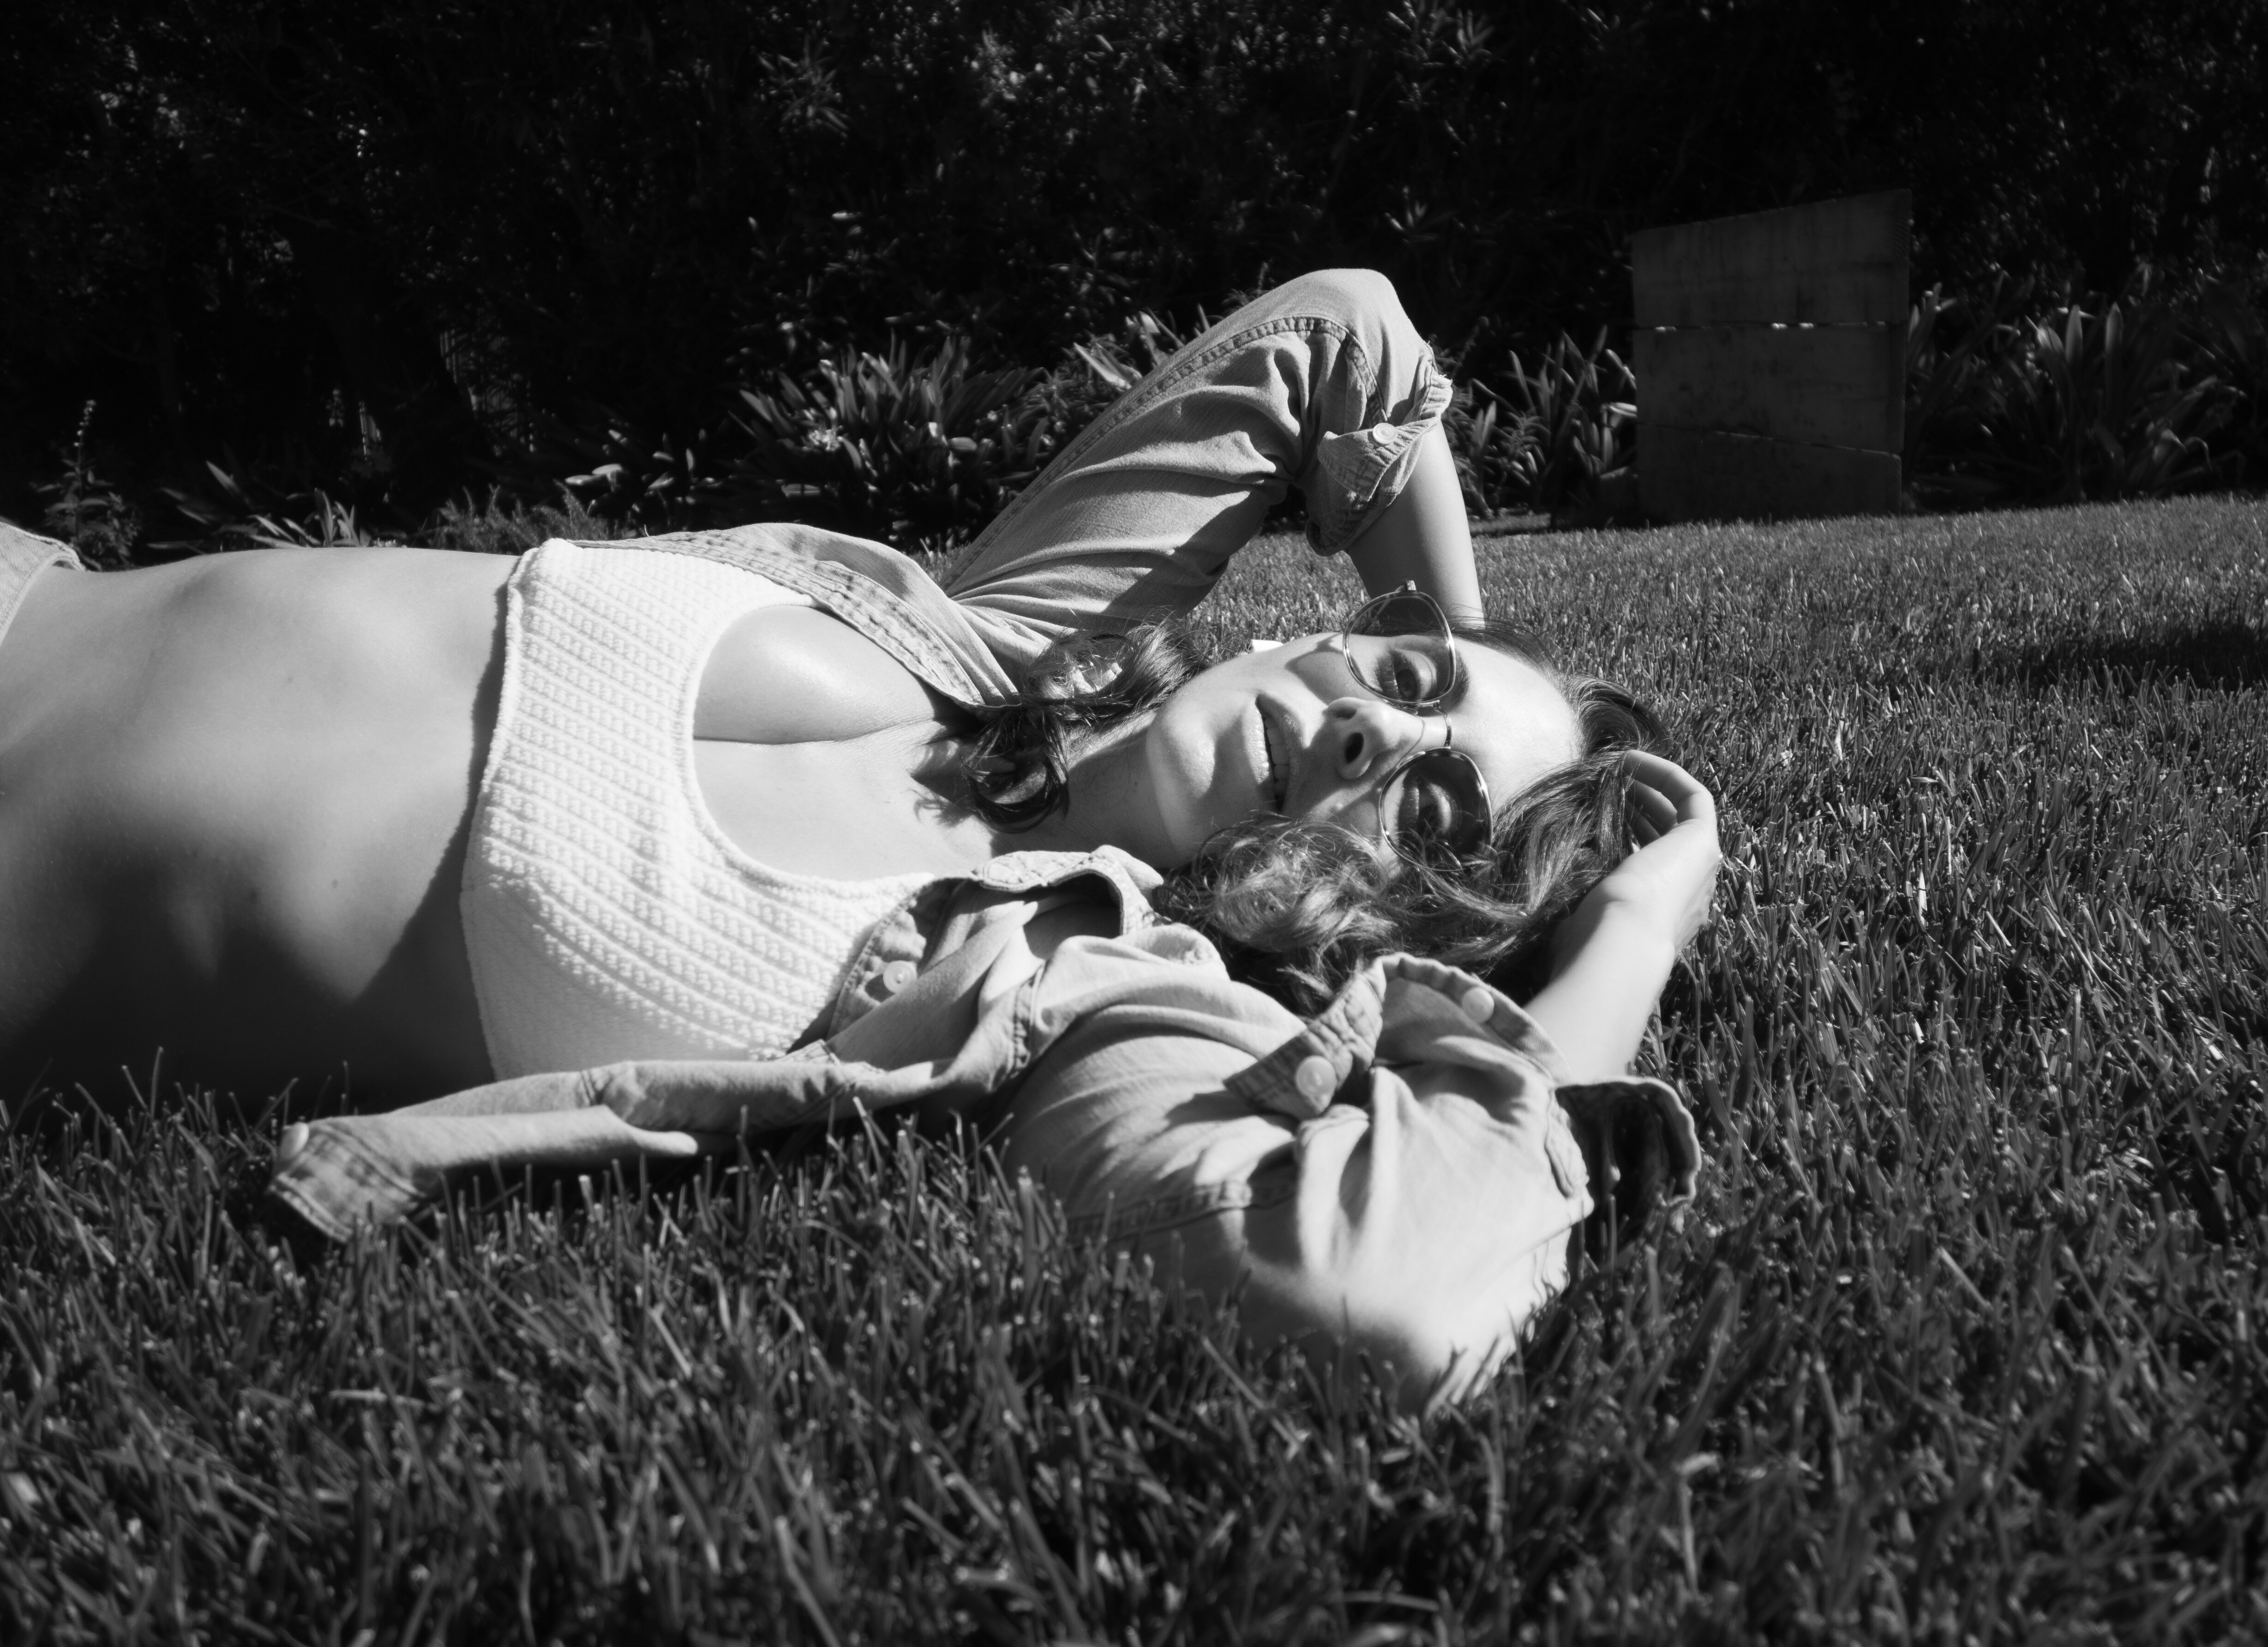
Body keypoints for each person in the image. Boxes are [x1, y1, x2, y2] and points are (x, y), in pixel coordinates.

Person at [3, 270, 1714, 1402]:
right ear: (1315, 631)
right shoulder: (1004, 638)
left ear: (1376, 929)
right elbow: (1343, 336)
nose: (1369, 732)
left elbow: (1371, 1298)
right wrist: (1469, 661)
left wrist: (1629, 923)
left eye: (1423, 803)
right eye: (1398, 681)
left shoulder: (1066, 985)